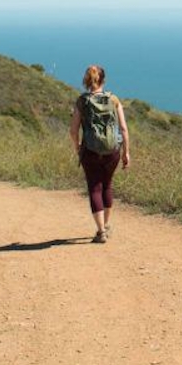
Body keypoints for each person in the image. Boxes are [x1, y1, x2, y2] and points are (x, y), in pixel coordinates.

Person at [70, 64, 131, 243]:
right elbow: (124, 129)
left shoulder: (82, 101)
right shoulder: (114, 100)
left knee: (94, 187)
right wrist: (126, 152)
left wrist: (78, 147)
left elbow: (73, 130)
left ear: (86, 81)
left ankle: (101, 231)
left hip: (90, 150)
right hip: (112, 150)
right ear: (103, 80)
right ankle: (106, 225)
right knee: (107, 185)